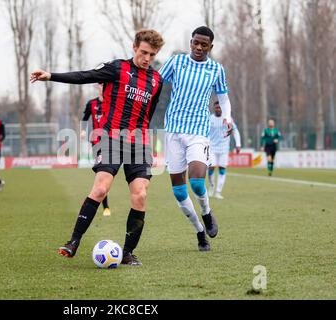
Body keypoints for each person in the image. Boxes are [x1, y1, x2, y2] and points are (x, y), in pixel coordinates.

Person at [30, 29, 165, 266]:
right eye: (144, 52)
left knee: (140, 195)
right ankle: (73, 241)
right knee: (101, 189)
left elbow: (149, 114)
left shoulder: (156, 80)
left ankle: (128, 253)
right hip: (111, 138)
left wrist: (149, 144)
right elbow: (85, 75)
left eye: (152, 55)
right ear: (134, 47)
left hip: (139, 142)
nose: (147, 58)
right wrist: (50, 76)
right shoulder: (117, 69)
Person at [159, 26, 233, 251]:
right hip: (172, 130)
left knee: (198, 181)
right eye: (195, 43)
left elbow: (224, 98)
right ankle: (200, 232)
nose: (199, 47)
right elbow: (154, 84)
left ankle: (207, 213)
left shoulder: (215, 69)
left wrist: (227, 118)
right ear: (190, 42)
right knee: (179, 192)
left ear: (211, 47)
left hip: (198, 131)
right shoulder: (176, 62)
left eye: (204, 45)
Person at [81, 84, 112, 217]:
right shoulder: (91, 103)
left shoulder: (113, 102)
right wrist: (82, 130)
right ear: (97, 87)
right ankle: (105, 207)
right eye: (100, 84)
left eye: (104, 84)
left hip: (112, 141)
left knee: (107, 176)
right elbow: (85, 118)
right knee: (102, 175)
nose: (102, 87)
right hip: (97, 143)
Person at [208, 101, 241, 200]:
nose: (218, 109)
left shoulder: (228, 119)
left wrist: (238, 144)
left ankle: (218, 191)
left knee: (222, 169)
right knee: (212, 167)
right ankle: (212, 186)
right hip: (212, 148)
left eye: (220, 107)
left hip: (224, 148)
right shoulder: (210, 118)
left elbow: (235, 131)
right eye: (216, 107)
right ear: (214, 109)